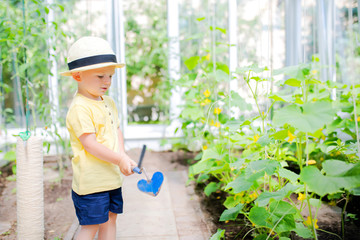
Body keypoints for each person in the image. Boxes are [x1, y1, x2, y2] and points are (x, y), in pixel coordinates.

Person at [61, 36, 137, 240]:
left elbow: (116, 130)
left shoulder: (108, 102)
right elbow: (90, 145)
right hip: (91, 182)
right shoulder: (80, 108)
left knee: (111, 218)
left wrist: (122, 155)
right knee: (92, 225)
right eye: (100, 76)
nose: (107, 82)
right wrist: (118, 159)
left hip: (111, 178)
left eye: (110, 76)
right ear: (77, 76)